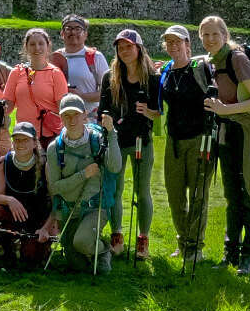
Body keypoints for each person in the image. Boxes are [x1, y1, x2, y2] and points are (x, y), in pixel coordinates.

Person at [199, 16, 250, 276]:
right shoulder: (212, 62)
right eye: (205, 35)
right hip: (229, 131)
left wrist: (225, 109)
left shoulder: (236, 59)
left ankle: (249, 257)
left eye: (214, 34)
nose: (210, 39)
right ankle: (230, 254)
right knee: (232, 196)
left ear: (225, 35)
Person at [98, 29, 162, 260]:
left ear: (139, 48)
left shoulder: (153, 77)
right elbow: (102, 108)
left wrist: (151, 112)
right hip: (115, 140)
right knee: (115, 190)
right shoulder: (109, 76)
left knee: (142, 191)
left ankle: (142, 240)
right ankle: (116, 236)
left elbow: (158, 112)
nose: (125, 52)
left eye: (129, 47)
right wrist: (105, 119)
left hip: (140, 140)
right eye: (120, 47)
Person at [159, 25, 217, 266]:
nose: (173, 46)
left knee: (197, 195)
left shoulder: (200, 68)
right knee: (175, 197)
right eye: (168, 42)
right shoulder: (165, 71)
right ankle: (183, 242)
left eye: (177, 42)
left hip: (200, 139)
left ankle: (195, 247)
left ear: (187, 44)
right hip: (173, 140)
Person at [45, 94, 121, 275]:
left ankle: (103, 251)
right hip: (68, 210)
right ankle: (91, 245)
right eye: (66, 115)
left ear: (85, 115)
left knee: (81, 242)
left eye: (76, 115)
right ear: (60, 117)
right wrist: (83, 175)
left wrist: (111, 134)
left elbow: (115, 167)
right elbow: (55, 187)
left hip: (95, 207)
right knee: (76, 266)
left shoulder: (98, 139)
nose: (72, 120)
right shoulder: (55, 148)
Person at [0, 122, 56, 268]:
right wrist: (10, 200)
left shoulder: (46, 165)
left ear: (34, 143)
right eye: (16, 140)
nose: (20, 144)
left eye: (25, 140)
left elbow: (57, 202)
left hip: (39, 217)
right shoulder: (3, 162)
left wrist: (46, 228)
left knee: (29, 259)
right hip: (13, 215)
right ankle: (7, 245)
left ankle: (36, 246)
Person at [1, 27, 69, 148]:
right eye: (32, 44)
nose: (37, 47)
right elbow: (8, 107)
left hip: (50, 135)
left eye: (41, 44)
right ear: (26, 48)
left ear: (48, 47)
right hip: (23, 134)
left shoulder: (56, 74)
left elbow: (62, 108)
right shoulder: (16, 72)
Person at [51, 14, 110, 115]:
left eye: (77, 29)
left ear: (85, 34)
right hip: (61, 117)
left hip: (90, 116)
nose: (73, 32)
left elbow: (109, 92)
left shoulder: (95, 57)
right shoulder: (55, 58)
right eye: (68, 29)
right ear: (62, 34)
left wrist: (83, 95)